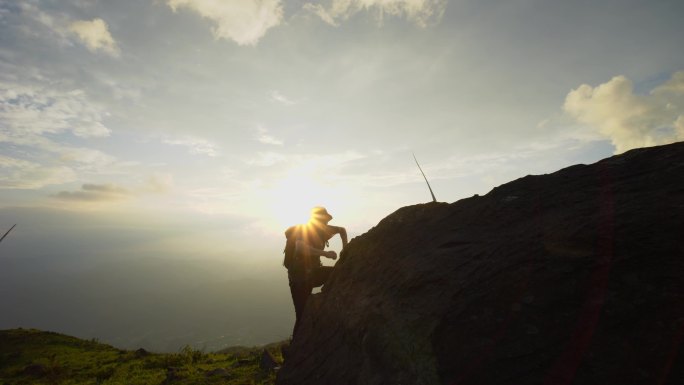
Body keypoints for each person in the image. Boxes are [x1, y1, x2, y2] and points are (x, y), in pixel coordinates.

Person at [284, 206, 348, 336]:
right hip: (299, 279)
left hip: (312, 274)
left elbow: (342, 230)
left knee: (337, 272)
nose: (326, 223)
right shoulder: (304, 230)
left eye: (326, 221)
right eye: (324, 220)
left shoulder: (323, 230)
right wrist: (325, 253)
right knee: (301, 315)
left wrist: (345, 248)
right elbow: (300, 247)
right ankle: (294, 347)